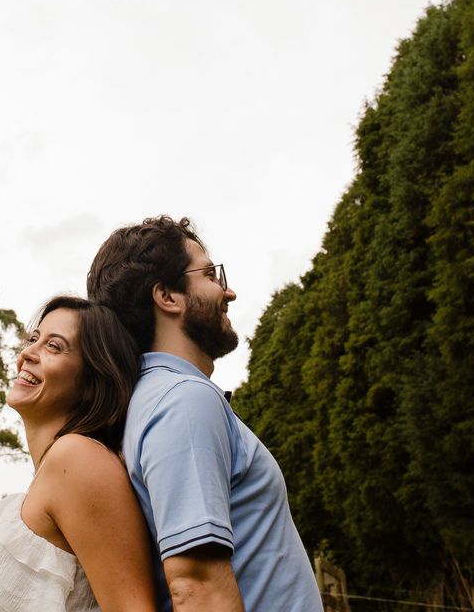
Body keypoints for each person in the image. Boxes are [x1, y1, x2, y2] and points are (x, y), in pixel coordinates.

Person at [87, 217, 323, 612]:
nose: (228, 292)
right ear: (167, 297)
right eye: (211, 275)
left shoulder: (151, 401)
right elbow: (197, 587)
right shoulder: (182, 400)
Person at [0, 296, 158, 612]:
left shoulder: (77, 458)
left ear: (92, 380)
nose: (28, 353)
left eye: (54, 347)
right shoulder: (57, 468)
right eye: (34, 339)